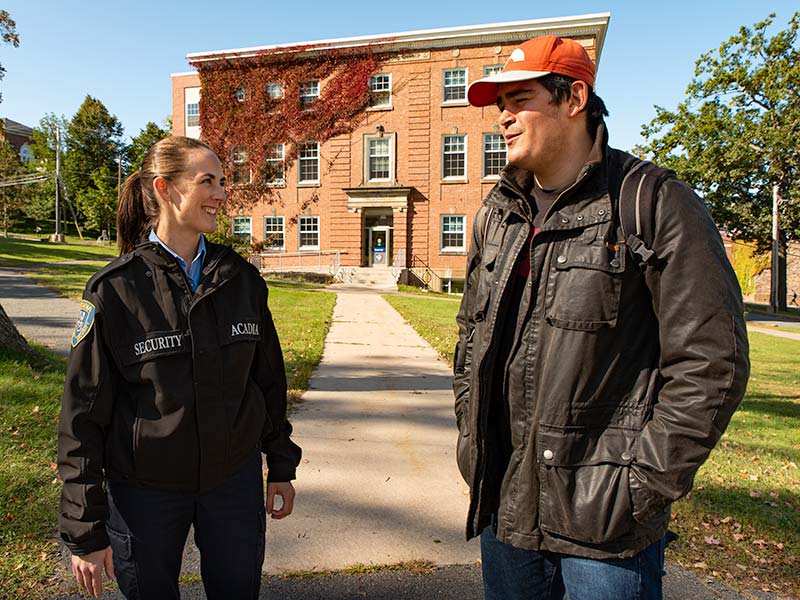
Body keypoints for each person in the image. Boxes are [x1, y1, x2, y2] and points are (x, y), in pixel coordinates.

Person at [453, 36, 750, 599]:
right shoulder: (497, 215)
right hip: (505, 511)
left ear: (574, 98)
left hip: (606, 533)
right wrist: (471, 438)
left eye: (520, 100)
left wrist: (641, 486)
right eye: (501, 107)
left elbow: (714, 363)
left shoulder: (654, 203)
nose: (505, 119)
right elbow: (471, 338)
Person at [58, 136, 301, 599]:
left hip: (232, 484)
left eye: (223, 182)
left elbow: (268, 384)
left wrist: (282, 466)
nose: (221, 194)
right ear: (165, 189)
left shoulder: (242, 281)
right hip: (145, 493)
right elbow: (82, 417)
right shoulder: (115, 291)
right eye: (207, 181)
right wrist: (84, 528)